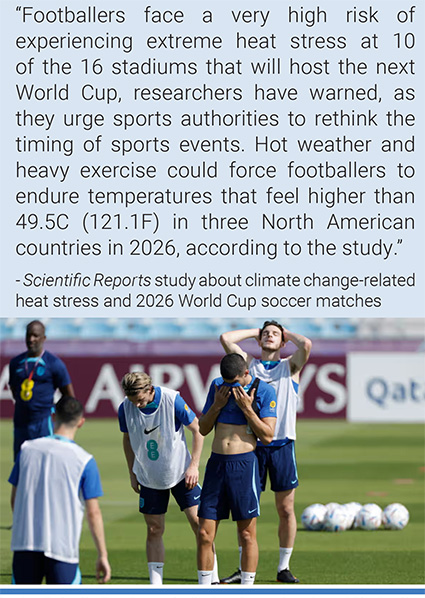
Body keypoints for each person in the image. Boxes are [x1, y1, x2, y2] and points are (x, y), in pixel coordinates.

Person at [219, 321, 312, 584]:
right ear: (259, 340)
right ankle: (242, 568)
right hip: (252, 446)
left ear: (283, 342)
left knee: (285, 508)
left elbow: (305, 345)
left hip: (282, 444)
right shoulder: (249, 364)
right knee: (246, 511)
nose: (269, 336)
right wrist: (255, 333)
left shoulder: (289, 367)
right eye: (266, 333)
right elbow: (226, 338)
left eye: (275, 334)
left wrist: (283, 334)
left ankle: (283, 567)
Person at [119, 372, 217, 585]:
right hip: (148, 477)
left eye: (141, 400)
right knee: (154, 529)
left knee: (201, 525)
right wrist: (132, 471)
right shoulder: (125, 408)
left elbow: (198, 430)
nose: (136, 405)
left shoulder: (172, 400)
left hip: (182, 473)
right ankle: (156, 585)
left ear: (150, 390)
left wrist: (194, 466)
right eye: (132, 401)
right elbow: (127, 439)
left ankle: (211, 579)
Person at [9, 396, 111, 585]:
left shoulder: (26, 450)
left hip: (24, 544)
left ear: (53, 417)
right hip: (62, 548)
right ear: (81, 422)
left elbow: (15, 499)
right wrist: (102, 555)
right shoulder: (84, 460)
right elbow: (93, 512)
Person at [197, 353, 277, 586]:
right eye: (226, 382)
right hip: (216, 465)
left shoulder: (264, 391)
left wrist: (247, 409)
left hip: (244, 466)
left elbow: (268, 436)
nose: (230, 387)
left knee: (246, 534)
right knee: (204, 533)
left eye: (234, 382)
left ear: (245, 373)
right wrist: (217, 405)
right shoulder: (217, 387)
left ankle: (247, 587)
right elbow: (202, 428)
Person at [8, 320, 74, 459]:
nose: (31, 339)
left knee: (45, 465)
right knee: (21, 466)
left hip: (43, 422)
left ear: (43, 338)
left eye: (35, 335)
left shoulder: (54, 363)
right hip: (21, 422)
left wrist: (57, 415)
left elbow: (69, 396)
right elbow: (14, 390)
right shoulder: (15, 363)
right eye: (28, 335)